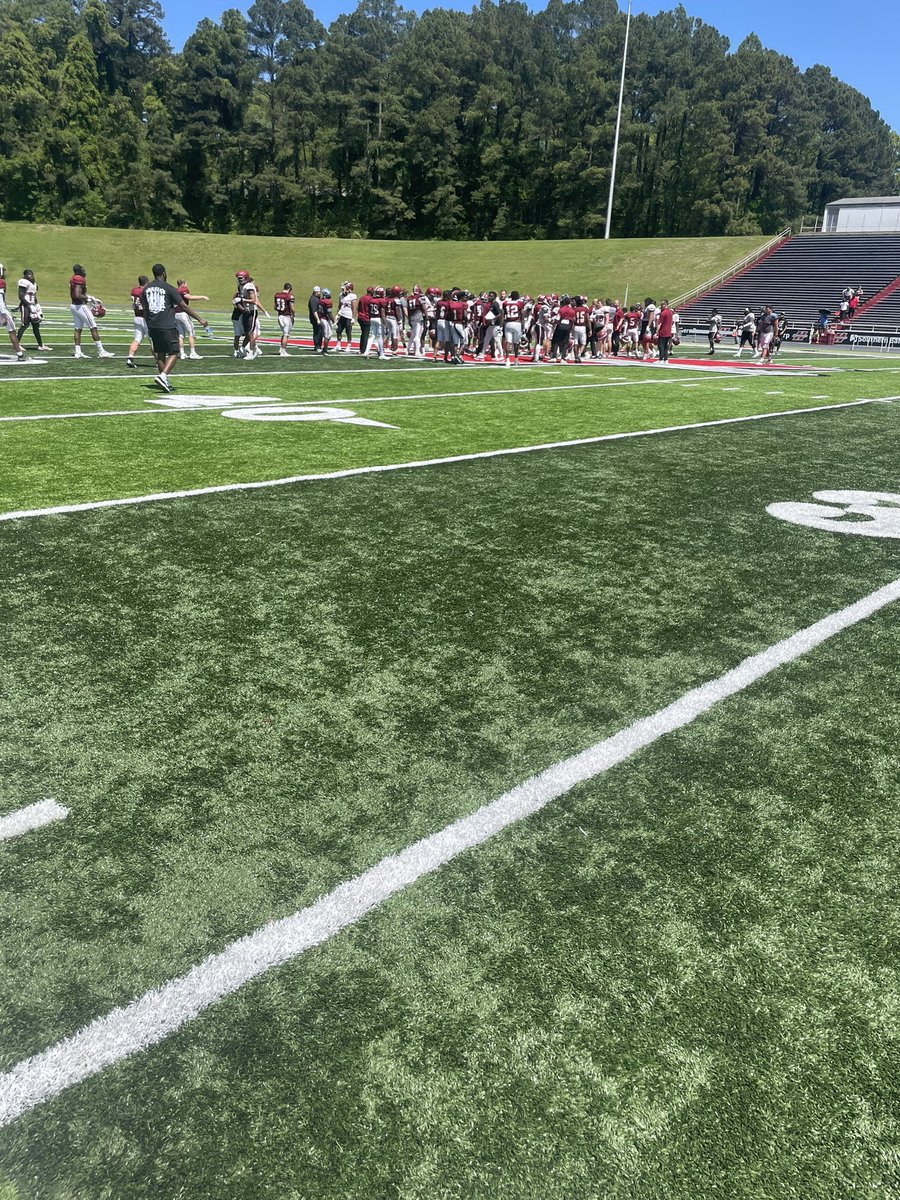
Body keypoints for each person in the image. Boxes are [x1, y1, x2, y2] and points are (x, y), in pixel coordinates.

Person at [142, 263, 209, 392]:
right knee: (174, 352)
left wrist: (148, 324)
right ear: (164, 273)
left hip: (153, 325)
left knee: (160, 353)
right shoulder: (169, 288)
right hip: (166, 324)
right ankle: (163, 376)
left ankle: (164, 381)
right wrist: (200, 318)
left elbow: (145, 309)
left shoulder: (146, 289)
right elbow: (183, 306)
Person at [69, 264, 114, 358]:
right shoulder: (79, 279)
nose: (84, 270)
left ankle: (78, 351)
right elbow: (78, 294)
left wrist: (90, 298)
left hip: (74, 306)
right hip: (80, 307)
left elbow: (78, 294)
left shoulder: (74, 278)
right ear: (78, 271)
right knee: (93, 327)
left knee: (78, 329)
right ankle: (101, 351)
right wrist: (90, 298)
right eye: (82, 269)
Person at [235, 270, 266, 359]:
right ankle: (243, 348)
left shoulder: (249, 286)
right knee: (247, 333)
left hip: (252, 312)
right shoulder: (241, 286)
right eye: (238, 278)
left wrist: (242, 300)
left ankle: (251, 352)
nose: (239, 280)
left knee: (251, 333)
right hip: (246, 311)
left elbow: (254, 300)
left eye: (241, 278)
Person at [175, 279, 209, 360]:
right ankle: (192, 353)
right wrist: (202, 297)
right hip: (183, 314)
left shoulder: (175, 290)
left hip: (175, 314)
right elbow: (189, 297)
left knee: (180, 335)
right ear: (183, 283)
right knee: (191, 333)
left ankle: (181, 353)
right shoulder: (183, 290)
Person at [16, 269, 48, 350]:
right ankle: (16, 344)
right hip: (25, 306)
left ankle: (41, 345)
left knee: (36, 326)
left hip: (32, 305)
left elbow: (33, 296)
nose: (31, 276)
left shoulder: (34, 284)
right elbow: (21, 296)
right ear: (25, 275)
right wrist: (29, 305)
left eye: (32, 274)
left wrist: (37, 304)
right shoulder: (23, 282)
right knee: (25, 324)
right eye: (29, 274)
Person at [0, 265, 26, 360]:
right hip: (1, 311)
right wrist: (3, 314)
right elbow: (0, 300)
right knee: (12, 331)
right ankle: (19, 354)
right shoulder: (1, 283)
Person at [126, 275, 150, 368]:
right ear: (146, 282)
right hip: (145, 318)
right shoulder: (146, 291)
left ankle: (130, 358)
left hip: (136, 317)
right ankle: (158, 361)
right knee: (152, 341)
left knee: (137, 339)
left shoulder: (134, 290)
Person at [274, 283, 295, 356]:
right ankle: (283, 351)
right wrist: (293, 314)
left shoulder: (277, 295)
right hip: (286, 317)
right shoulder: (289, 296)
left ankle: (281, 348)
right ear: (289, 289)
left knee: (284, 334)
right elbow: (292, 307)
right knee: (286, 335)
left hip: (280, 316)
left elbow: (275, 307)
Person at [336, 281, 356, 351]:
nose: (343, 289)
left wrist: (353, 318)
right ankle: (338, 344)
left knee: (348, 331)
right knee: (338, 330)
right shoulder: (341, 295)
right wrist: (337, 314)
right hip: (341, 315)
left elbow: (353, 308)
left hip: (348, 316)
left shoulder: (352, 296)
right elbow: (339, 306)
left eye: (344, 288)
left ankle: (348, 345)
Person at [308, 285, 323, 352]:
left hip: (318, 317)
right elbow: (314, 311)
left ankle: (318, 345)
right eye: (319, 291)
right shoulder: (313, 299)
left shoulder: (317, 298)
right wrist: (317, 319)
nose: (320, 293)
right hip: (315, 318)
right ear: (315, 292)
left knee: (320, 331)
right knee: (317, 332)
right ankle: (317, 346)